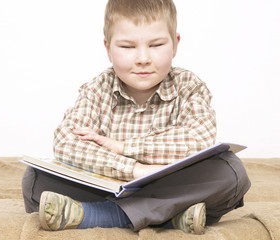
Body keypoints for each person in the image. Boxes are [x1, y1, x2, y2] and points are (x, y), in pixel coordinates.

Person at [22, 0, 251, 235]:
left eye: (156, 44)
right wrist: (135, 169)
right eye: (128, 47)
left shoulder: (189, 86)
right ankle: (168, 218)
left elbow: (198, 139)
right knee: (35, 180)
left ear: (175, 45)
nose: (143, 58)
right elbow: (65, 141)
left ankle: (104, 215)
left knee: (232, 172)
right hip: (110, 186)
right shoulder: (98, 88)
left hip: (173, 184)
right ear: (108, 48)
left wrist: (123, 147)